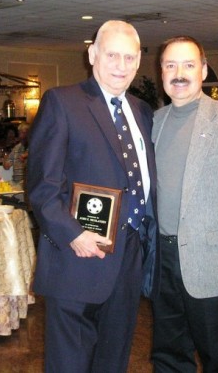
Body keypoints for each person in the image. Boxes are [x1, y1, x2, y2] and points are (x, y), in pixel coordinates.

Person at [27, 20, 157, 373]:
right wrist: (74, 234)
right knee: (69, 364)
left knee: (113, 361)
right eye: (112, 55)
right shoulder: (62, 102)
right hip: (76, 257)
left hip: (128, 257)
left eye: (129, 57)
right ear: (92, 55)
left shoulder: (142, 111)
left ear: (138, 61)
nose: (121, 65)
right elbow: (42, 187)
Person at [151, 35, 218, 372]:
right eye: (171, 65)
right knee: (168, 355)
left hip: (212, 263)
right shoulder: (153, 122)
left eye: (188, 65)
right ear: (161, 72)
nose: (179, 73)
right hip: (162, 260)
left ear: (203, 70)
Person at [2, 122, 30, 186]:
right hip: (15, 183)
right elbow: (6, 166)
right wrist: (5, 161)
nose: (21, 136)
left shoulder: (34, 147)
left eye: (24, 133)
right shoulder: (17, 148)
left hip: (27, 184)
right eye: (19, 133)